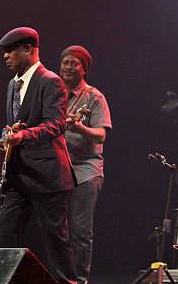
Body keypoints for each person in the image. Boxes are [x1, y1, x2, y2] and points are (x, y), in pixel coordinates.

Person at [0, 27, 76, 284]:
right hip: (19, 177)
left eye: (11, 51)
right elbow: (16, 123)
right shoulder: (11, 85)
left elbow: (55, 125)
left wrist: (22, 136)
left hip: (47, 176)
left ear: (28, 50)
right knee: (5, 237)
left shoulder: (50, 81)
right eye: (4, 52)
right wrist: (3, 141)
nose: (6, 56)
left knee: (56, 241)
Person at [59, 45, 112, 284]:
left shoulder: (94, 97)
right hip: (56, 170)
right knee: (58, 232)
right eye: (65, 62)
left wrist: (79, 128)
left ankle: (79, 280)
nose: (68, 67)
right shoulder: (53, 93)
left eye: (74, 63)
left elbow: (100, 135)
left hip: (85, 170)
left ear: (84, 69)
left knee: (80, 233)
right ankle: (61, 278)